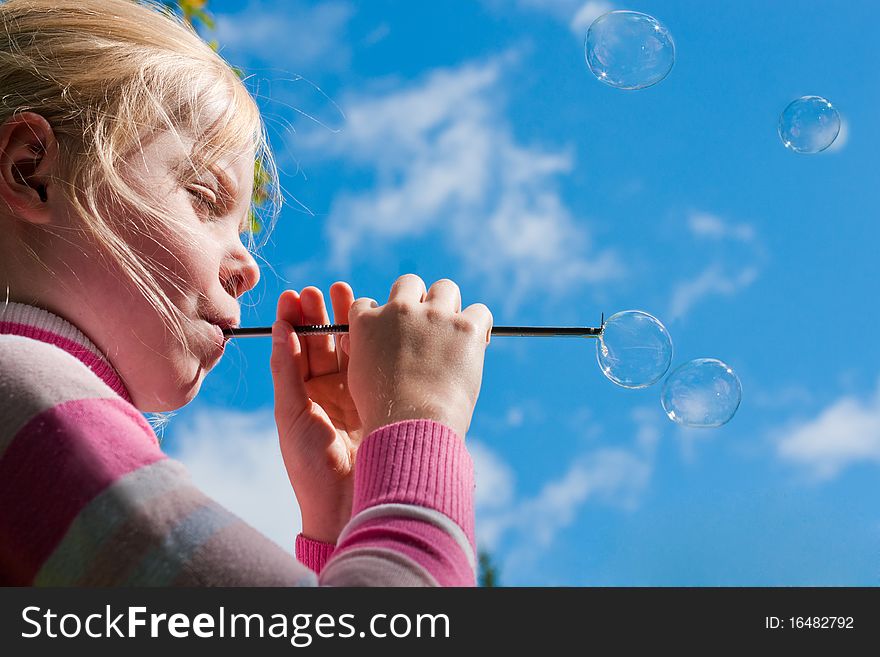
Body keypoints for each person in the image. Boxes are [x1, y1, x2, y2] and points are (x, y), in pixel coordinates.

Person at [0, 0, 492, 586]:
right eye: (204, 197)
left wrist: (342, 522)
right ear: (32, 171)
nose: (249, 267)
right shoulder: (28, 396)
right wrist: (419, 420)